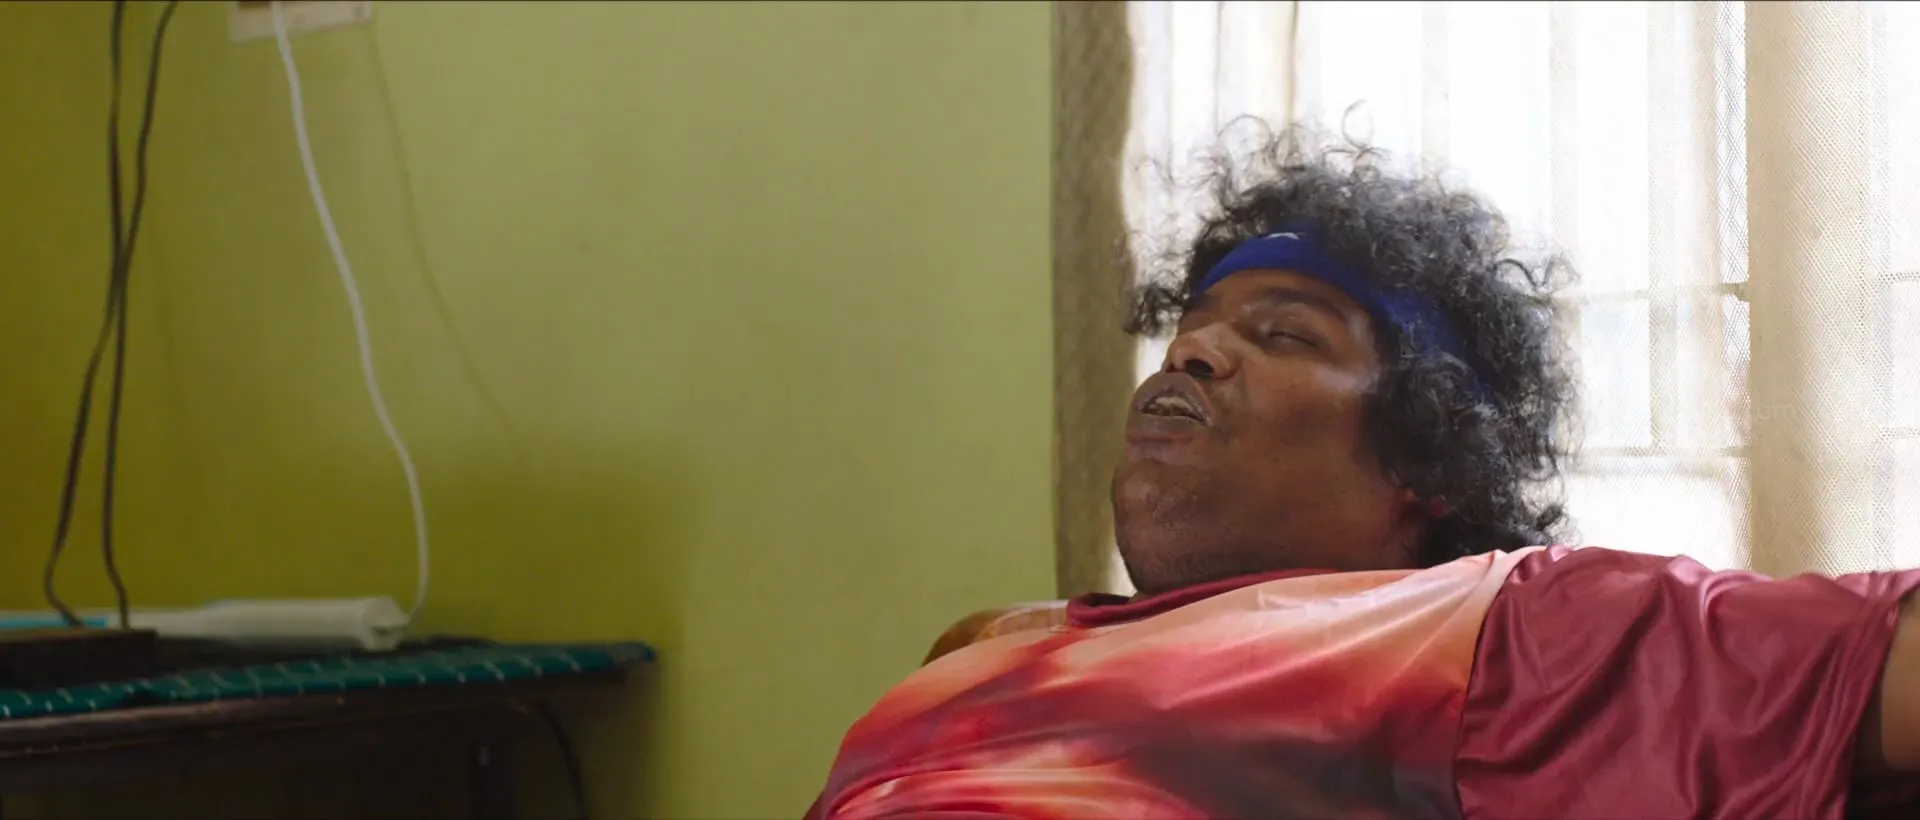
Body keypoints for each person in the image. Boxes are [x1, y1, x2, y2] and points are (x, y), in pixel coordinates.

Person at [805, 125, 1920, 819]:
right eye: (1192, 326)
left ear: (1425, 458)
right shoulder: (995, 647)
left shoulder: (1501, 627)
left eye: (1285, 334)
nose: (1195, 351)